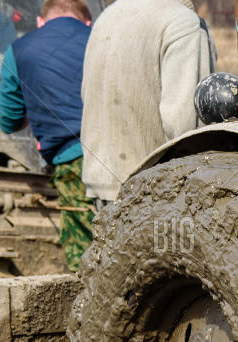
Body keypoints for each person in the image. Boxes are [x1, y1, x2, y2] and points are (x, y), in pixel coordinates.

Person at [81, 0, 216, 206]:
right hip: (154, 192)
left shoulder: (108, 16)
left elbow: (87, 95)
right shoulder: (183, 24)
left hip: (102, 181)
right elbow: (185, 126)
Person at [0, 0, 94, 271]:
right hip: (129, 152)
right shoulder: (102, 39)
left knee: (84, 251)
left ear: (39, 22)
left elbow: (8, 119)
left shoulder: (19, 50)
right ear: (88, 22)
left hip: (74, 160)